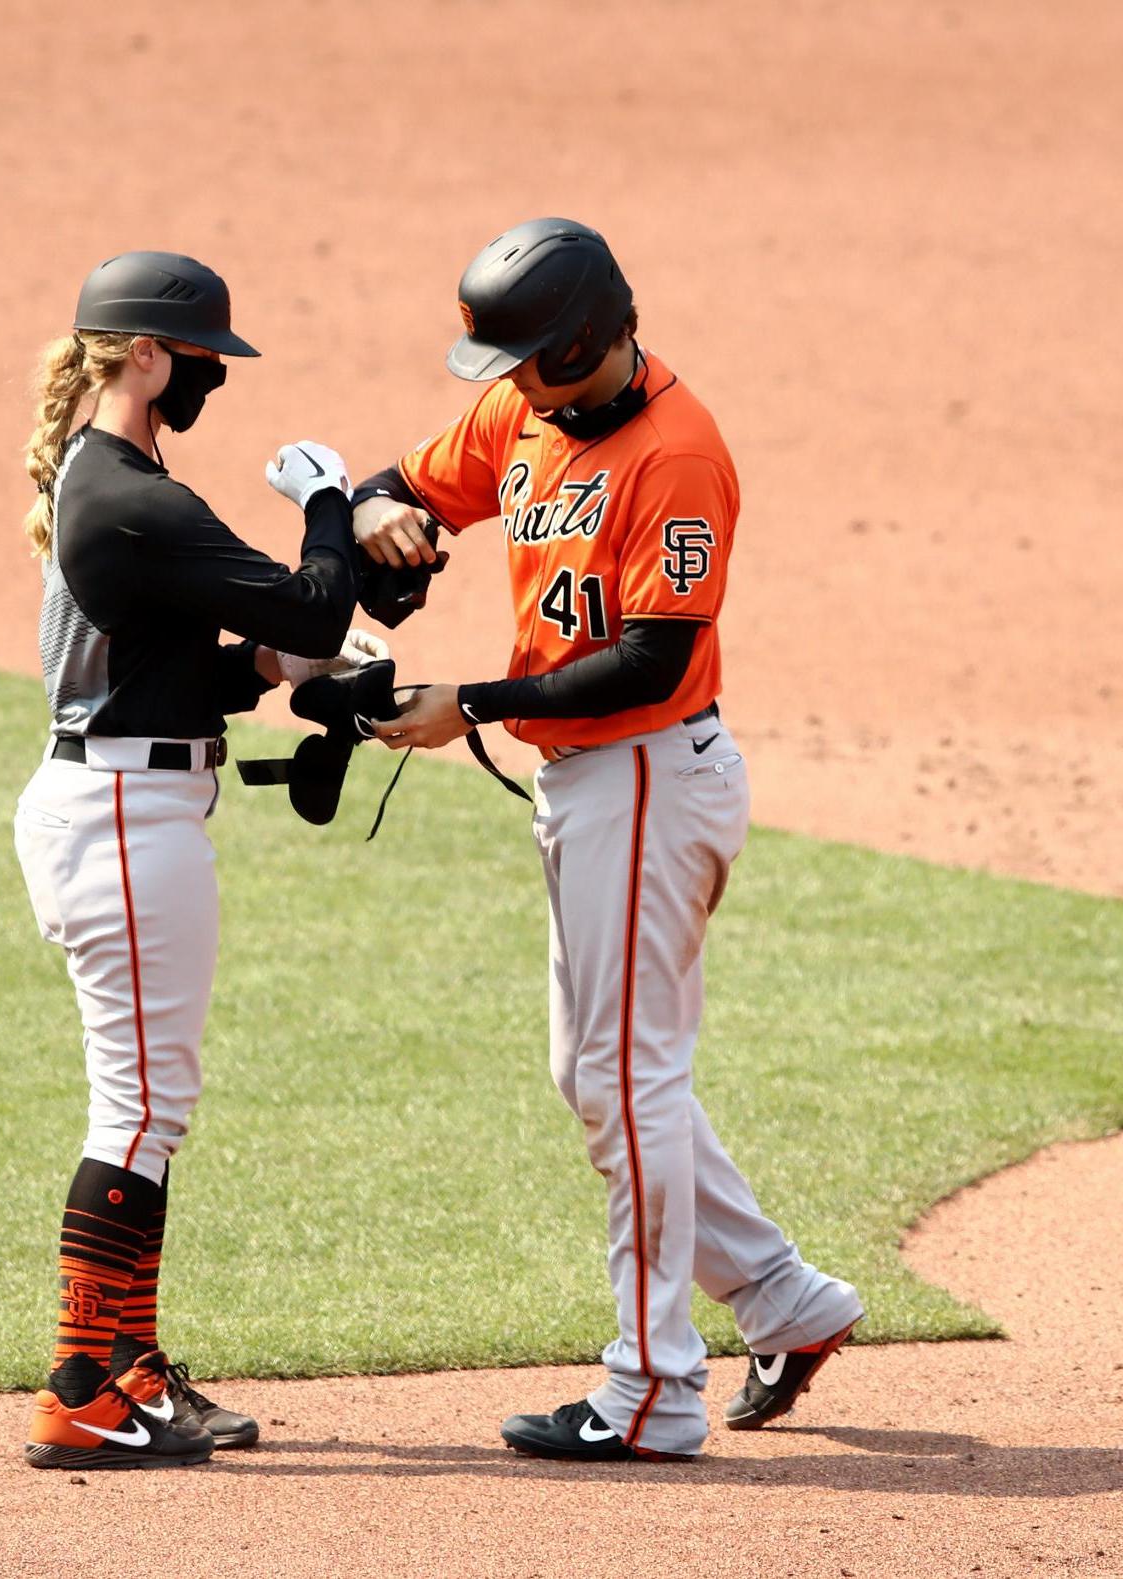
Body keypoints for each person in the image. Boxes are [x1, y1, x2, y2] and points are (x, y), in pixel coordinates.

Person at [353, 218, 865, 1462]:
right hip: (587, 784)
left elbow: (654, 655)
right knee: (598, 1079)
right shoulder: (527, 415)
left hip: (644, 771)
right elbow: (404, 482)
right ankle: (782, 1300)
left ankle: (650, 1389)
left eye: (523, 358)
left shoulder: (674, 457)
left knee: (629, 1082)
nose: (505, 382)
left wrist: (466, 705)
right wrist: (381, 518)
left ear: (582, 341)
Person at [12, 250, 378, 1470]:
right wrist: (326, 501)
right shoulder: (128, 494)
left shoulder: (111, 477)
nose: (215, 375)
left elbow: (171, 672)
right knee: (141, 1106)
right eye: (206, 356)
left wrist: (270, 674)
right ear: (151, 354)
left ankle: (128, 1365)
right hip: (122, 818)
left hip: (116, 793)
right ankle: (79, 1384)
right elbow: (316, 604)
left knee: (151, 1106)